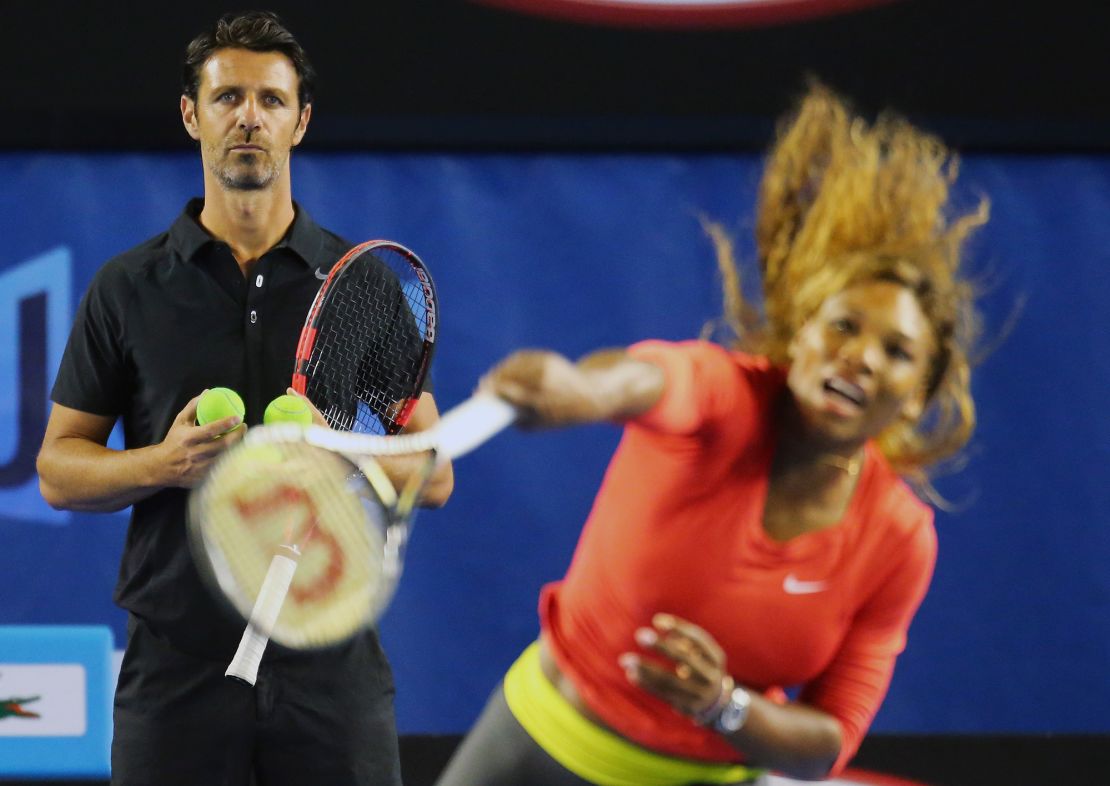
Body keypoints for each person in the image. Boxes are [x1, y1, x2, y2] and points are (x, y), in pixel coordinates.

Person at [436, 84, 989, 785]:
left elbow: (826, 744)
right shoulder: (725, 396)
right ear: (803, 335)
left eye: (897, 352)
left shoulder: (900, 539)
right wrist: (580, 391)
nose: (862, 356)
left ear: (915, 399)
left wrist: (722, 706)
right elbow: (643, 379)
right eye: (844, 324)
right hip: (539, 747)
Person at [35, 11, 452, 786]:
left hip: (329, 663)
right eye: (228, 99)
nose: (249, 118)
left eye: (270, 99)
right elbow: (59, 470)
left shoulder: (358, 281)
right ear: (193, 115)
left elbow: (434, 469)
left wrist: (341, 452)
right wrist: (163, 463)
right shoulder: (127, 288)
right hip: (176, 669)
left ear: (301, 121)